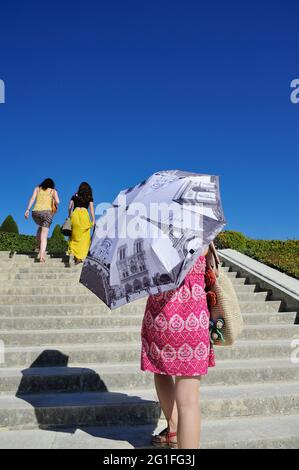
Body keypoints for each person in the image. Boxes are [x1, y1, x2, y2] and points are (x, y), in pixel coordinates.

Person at [140, 242, 219, 449]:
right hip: (194, 318)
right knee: (189, 401)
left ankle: (173, 428)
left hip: (161, 315)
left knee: (161, 370)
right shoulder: (202, 234)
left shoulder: (153, 235)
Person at [24, 178, 60, 263]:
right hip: (47, 214)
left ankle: (39, 246)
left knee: (40, 227)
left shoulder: (37, 188)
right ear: (52, 185)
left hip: (35, 213)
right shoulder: (53, 191)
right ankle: (41, 256)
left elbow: (32, 198)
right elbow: (58, 201)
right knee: (44, 237)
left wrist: (27, 209)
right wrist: (53, 199)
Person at [67, 182, 95, 264]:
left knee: (74, 235)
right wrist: (93, 220)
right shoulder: (90, 197)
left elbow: (69, 207)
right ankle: (79, 257)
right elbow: (91, 209)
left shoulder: (74, 196)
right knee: (84, 237)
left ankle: (72, 252)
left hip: (75, 215)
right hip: (84, 215)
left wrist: (69, 216)